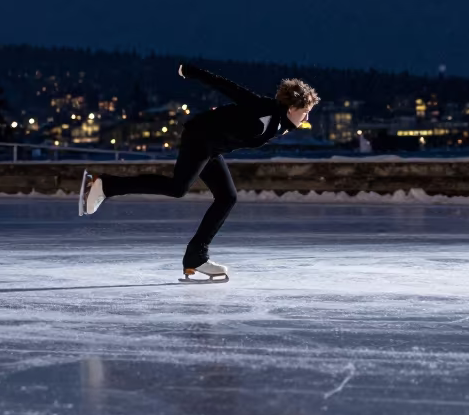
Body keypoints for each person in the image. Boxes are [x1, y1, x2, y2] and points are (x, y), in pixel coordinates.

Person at [78, 64, 320, 282]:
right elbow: (228, 87)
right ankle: (105, 186)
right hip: (200, 138)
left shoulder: (281, 122)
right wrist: (192, 72)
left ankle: (196, 257)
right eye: (305, 111)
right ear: (291, 108)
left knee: (227, 197)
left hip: (212, 146)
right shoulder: (265, 110)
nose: (307, 116)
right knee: (178, 188)